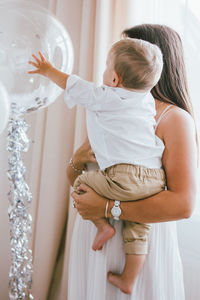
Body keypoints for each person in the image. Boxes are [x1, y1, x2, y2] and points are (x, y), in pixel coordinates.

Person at [67, 24, 198, 300]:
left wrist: (107, 208)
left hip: (138, 248)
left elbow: (183, 204)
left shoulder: (173, 119)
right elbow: (79, 177)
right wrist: (76, 160)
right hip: (95, 242)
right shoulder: (111, 109)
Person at [28, 38, 165, 294]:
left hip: (123, 175)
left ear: (114, 79)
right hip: (155, 178)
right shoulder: (147, 102)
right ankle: (128, 279)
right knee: (139, 229)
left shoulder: (106, 96)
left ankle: (103, 226)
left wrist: (48, 69)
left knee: (81, 185)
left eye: (105, 66)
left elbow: (74, 85)